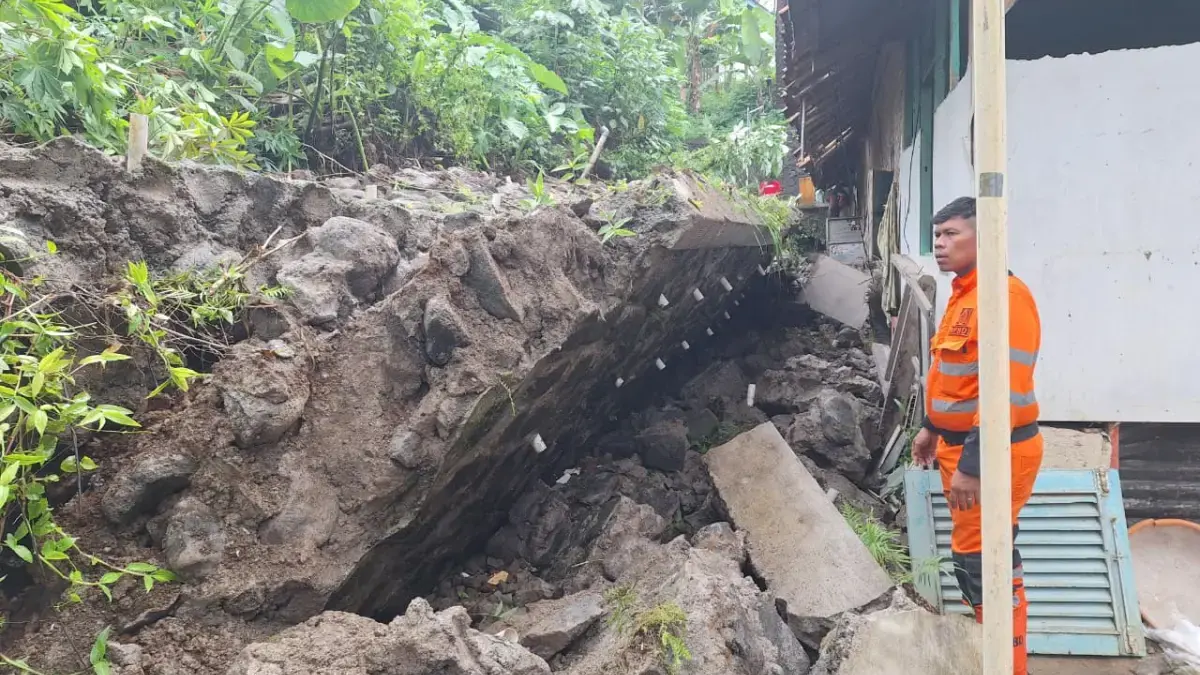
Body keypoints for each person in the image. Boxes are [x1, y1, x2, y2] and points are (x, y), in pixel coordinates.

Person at [910, 196, 1043, 675]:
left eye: (951, 235)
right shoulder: (965, 292)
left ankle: (1009, 665)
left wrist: (974, 464)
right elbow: (958, 378)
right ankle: (996, 658)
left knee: (984, 563)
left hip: (996, 452)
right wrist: (930, 427)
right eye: (937, 234)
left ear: (984, 237)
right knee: (979, 560)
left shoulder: (1003, 299)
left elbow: (1002, 392)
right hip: (960, 447)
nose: (940, 245)